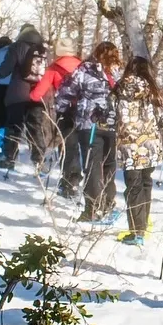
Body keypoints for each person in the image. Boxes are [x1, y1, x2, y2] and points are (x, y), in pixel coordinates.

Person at [53, 40, 122, 223]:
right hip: (112, 124)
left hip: (90, 123)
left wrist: (61, 109)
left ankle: (92, 208)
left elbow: (66, 90)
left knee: (93, 165)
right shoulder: (118, 73)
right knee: (108, 165)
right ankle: (107, 203)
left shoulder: (85, 70)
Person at [113, 56, 163, 245]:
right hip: (149, 149)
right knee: (145, 183)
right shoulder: (153, 92)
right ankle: (141, 228)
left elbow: (108, 116)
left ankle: (137, 230)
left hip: (128, 148)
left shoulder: (117, 89)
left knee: (133, 187)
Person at [0, 23, 47, 169]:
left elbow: (6, 68)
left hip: (17, 93)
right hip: (37, 95)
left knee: (13, 126)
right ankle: (39, 161)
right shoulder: (43, 50)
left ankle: (8, 158)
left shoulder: (17, 47)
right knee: (35, 128)